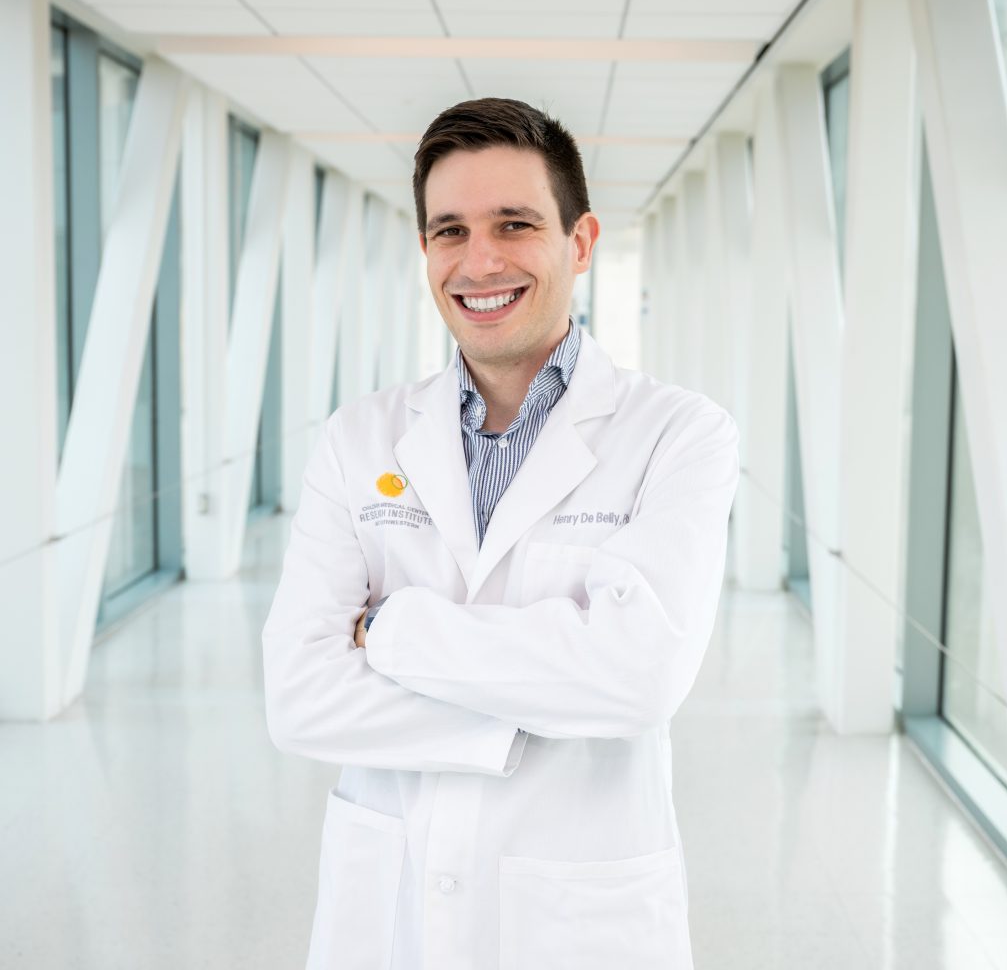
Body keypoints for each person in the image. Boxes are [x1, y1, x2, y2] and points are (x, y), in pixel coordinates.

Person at [262, 97, 739, 970]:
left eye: (514, 224)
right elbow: (298, 696)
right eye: (450, 231)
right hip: (389, 911)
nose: (478, 261)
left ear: (581, 243)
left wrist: (393, 631)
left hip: (578, 921)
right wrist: (534, 708)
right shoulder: (358, 437)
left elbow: (638, 680)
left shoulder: (679, 435)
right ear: (425, 252)